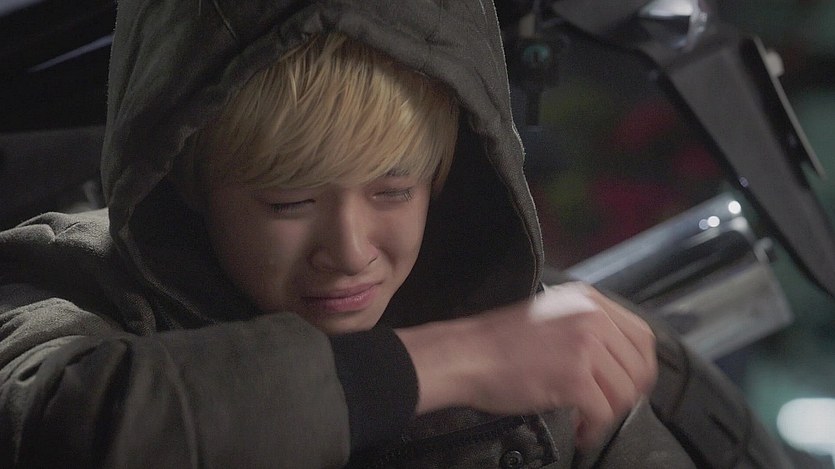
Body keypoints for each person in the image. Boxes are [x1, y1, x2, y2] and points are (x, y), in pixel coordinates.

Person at [0, 1, 793, 467]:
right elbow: (59, 425)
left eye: (392, 189)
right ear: (189, 182)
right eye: (288, 202)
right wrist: (455, 361)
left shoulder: (538, 340)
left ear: (446, 174)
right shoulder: (74, 280)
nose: (350, 250)